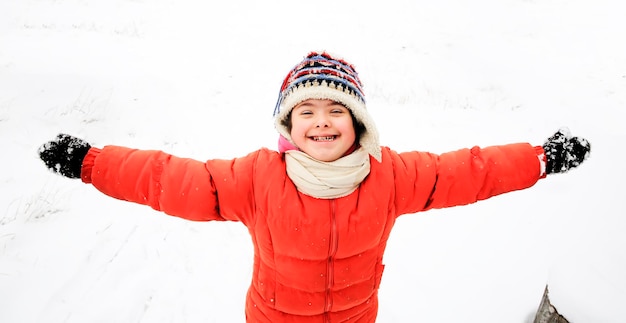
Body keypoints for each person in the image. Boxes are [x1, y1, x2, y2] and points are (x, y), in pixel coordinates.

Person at [38, 51, 591, 323]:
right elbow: (171, 179)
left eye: (336, 110)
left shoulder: (391, 176)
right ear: (288, 125)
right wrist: (90, 161)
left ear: (358, 124)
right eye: (307, 110)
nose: (322, 122)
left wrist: (540, 158)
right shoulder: (257, 177)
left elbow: (468, 171)